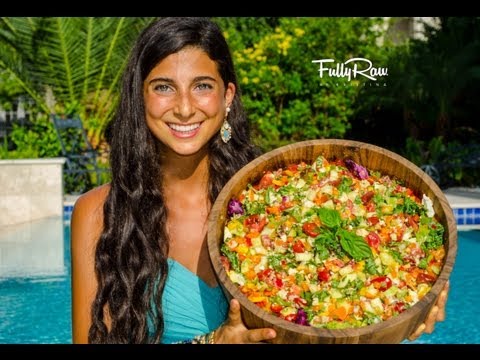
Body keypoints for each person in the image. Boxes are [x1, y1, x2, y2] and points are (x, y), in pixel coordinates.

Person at [71, 16, 449, 344]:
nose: (185, 107)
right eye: (164, 87)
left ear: (228, 96)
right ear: (140, 97)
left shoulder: (269, 199)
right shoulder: (98, 214)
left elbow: (347, 297)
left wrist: (405, 315)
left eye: (202, 85)